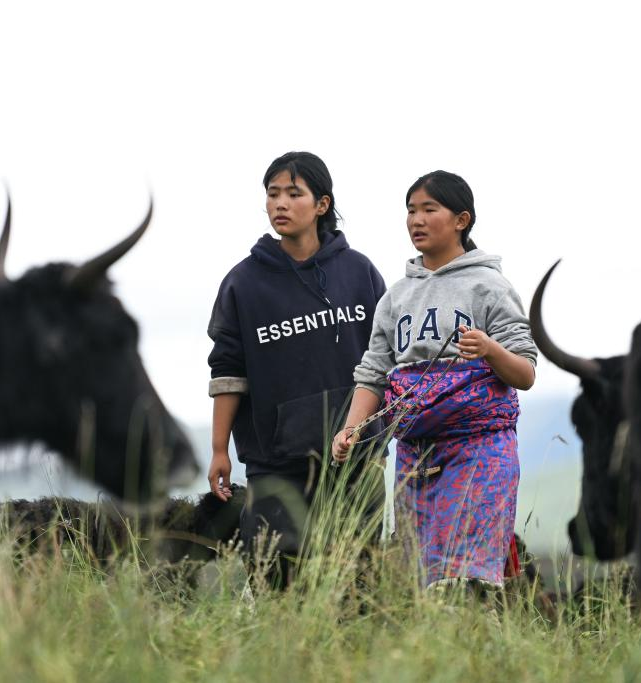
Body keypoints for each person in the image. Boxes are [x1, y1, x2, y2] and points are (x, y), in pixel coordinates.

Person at [332, 170, 537, 592]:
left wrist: (489, 350)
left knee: (471, 581)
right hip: (416, 456)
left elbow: (526, 372)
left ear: (461, 220)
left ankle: (482, 648)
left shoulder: (490, 287)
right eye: (411, 210)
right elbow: (373, 373)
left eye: (429, 209)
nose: (416, 220)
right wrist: (351, 428)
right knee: (423, 582)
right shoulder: (395, 298)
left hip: (481, 451)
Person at [207, 151, 386, 587]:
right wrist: (218, 449)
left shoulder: (359, 272)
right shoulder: (243, 283)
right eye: (273, 194)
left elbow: (385, 361)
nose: (280, 204)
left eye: (293, 193)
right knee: (276, 584)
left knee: (355, 585)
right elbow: (228, 371)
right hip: (275, 464)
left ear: (321, 204)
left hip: (356, 461)